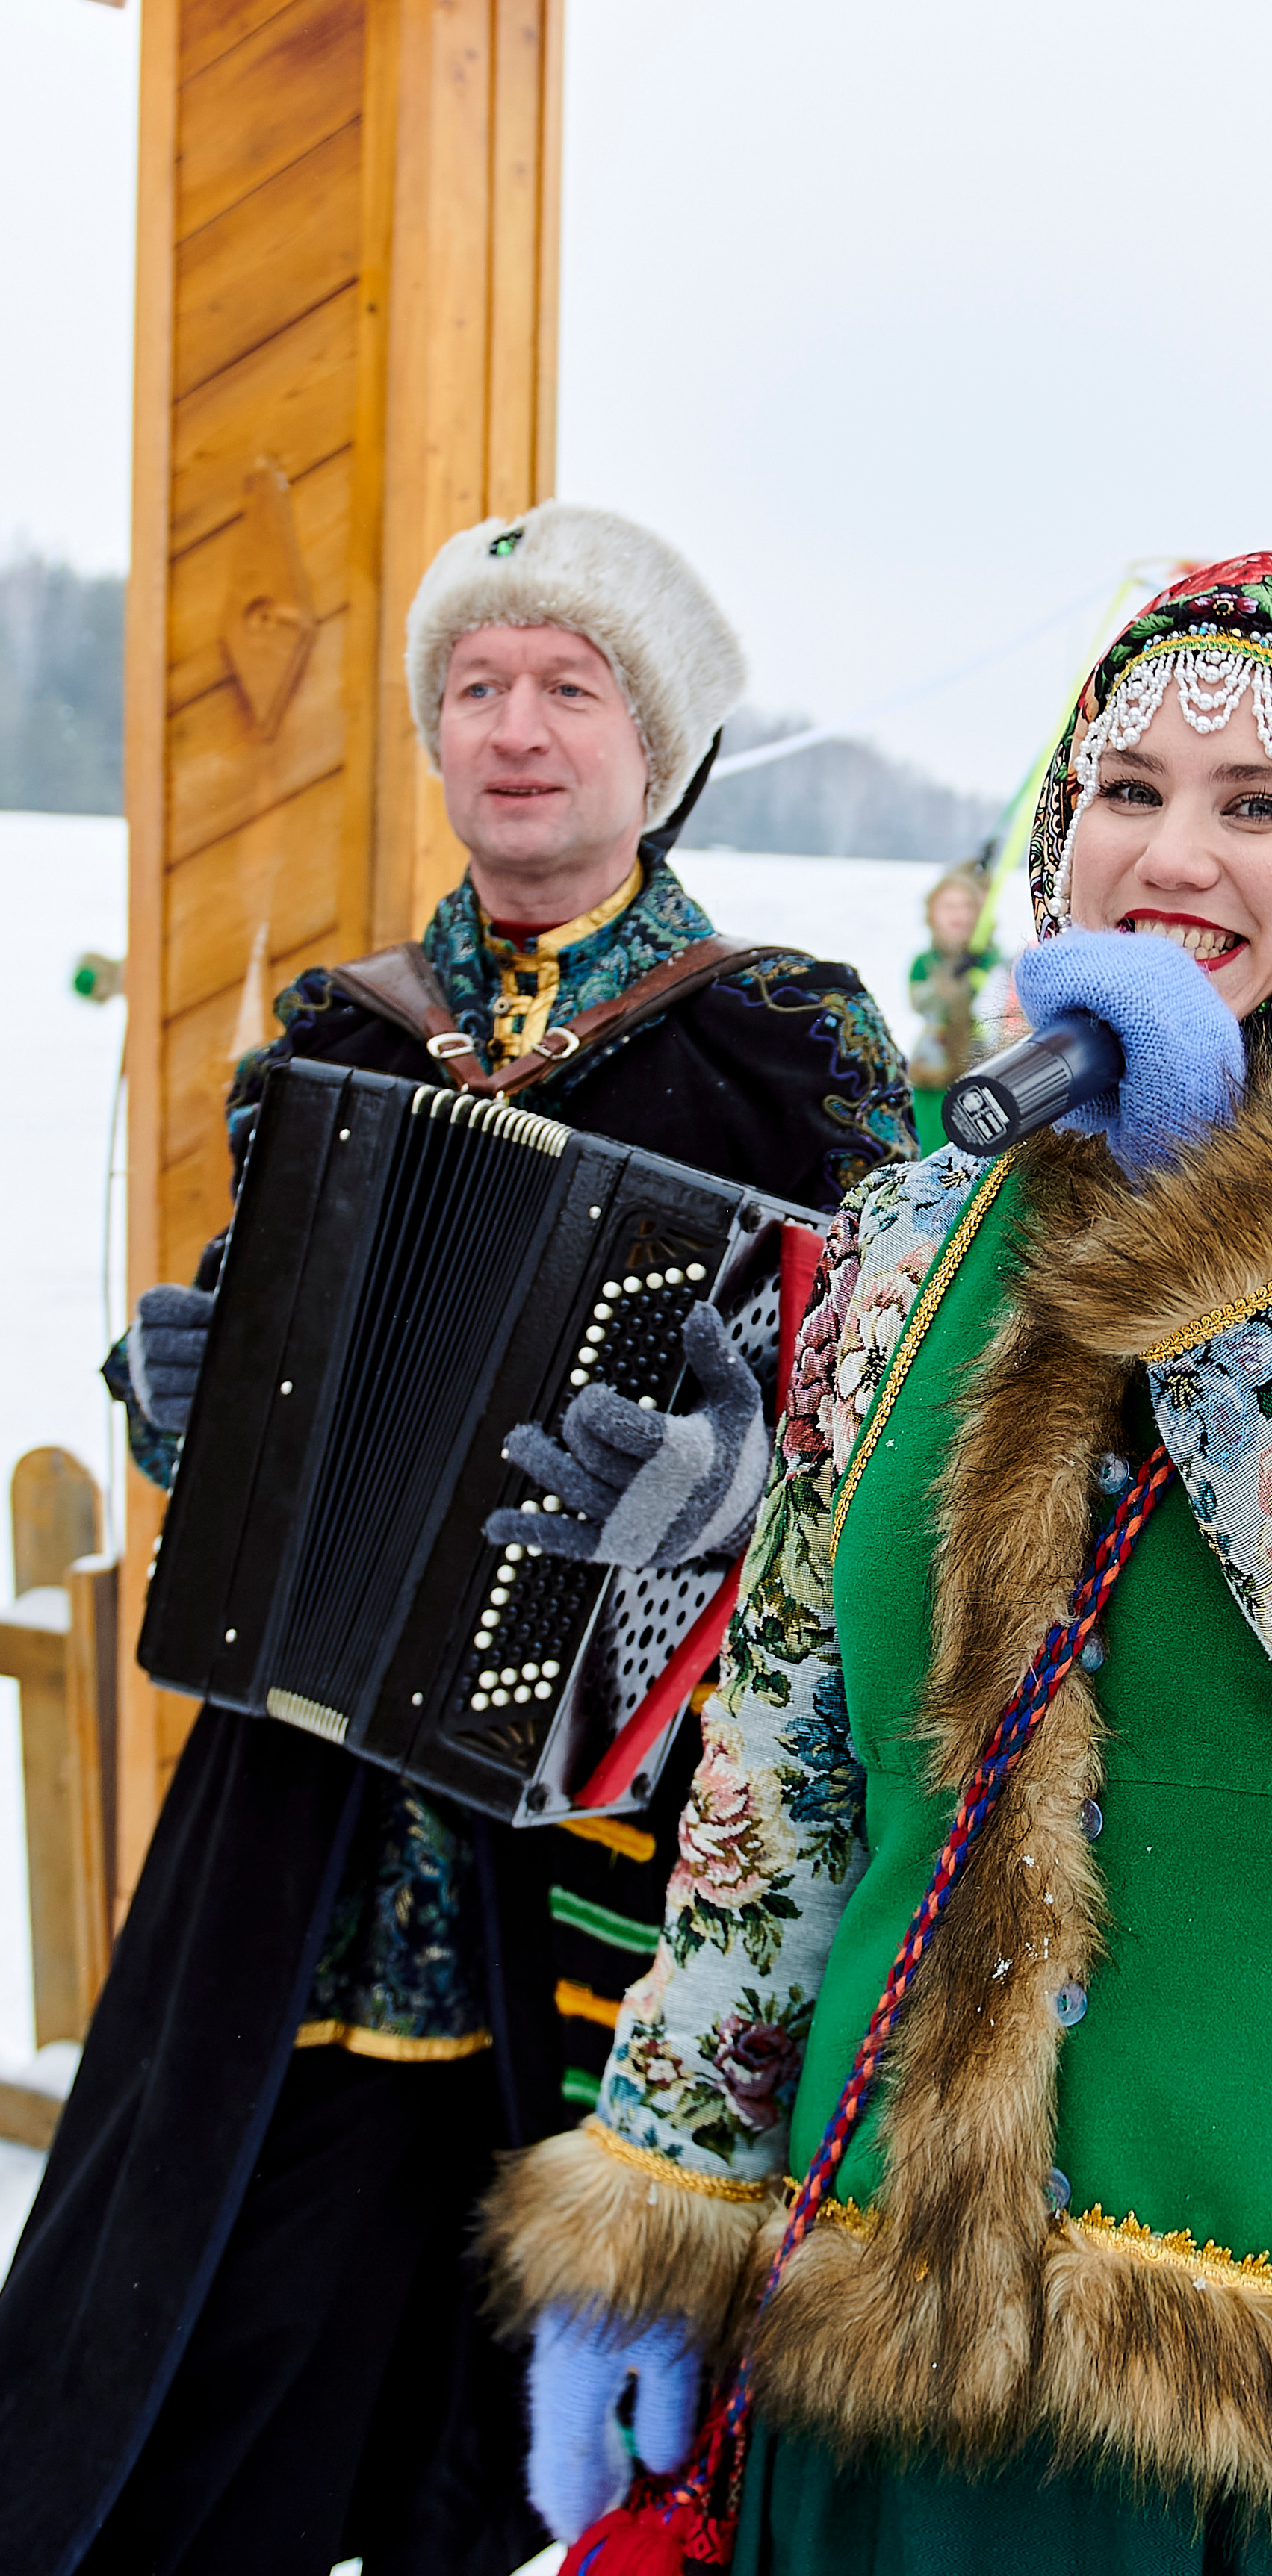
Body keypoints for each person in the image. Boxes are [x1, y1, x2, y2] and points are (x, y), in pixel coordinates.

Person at [489, 552, 1272, 2576]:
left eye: (1258, 806)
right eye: (1126, 790)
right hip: (882, 2319)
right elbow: (788, 1759)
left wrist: (1210, 1219)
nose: (1172, 856)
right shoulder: (909, 1232)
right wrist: (662, 2197)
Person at [0, 503, 913, 2576]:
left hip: (613, 1839)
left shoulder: (792, 1046)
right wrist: (189, 1413)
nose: (515, 730)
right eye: (475, 690)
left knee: (545, 2425)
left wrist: (737, 1485)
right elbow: (285, 1379)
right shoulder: (343, 1032)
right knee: (195, 2341)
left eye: (568, 688)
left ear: (657, 745)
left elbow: (901, 1415)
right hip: (310, 1830)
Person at [905, 859, 1002, 1151]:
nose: (958, 915)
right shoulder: (924, 963)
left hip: (977, 1061)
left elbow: (994, 999)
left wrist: (977, 969)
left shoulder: (989, 956)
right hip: (932, 1070)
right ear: (932, 915)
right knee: (930, 1143)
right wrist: (950, 978)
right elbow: (923, 1004)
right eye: (949, 907)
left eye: (966, 907)